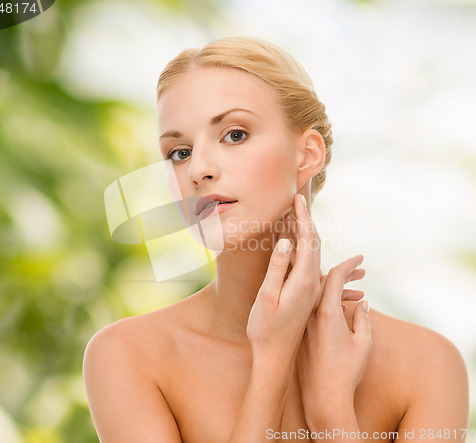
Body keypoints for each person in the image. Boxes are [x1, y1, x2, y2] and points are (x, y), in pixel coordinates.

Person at [83, 37, 469, 442]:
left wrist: (332, 411)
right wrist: (272, 359)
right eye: (179, 152)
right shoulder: (128, 356)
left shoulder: (426, 364)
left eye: (234, 135)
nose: (198, 169)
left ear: (307, 154)